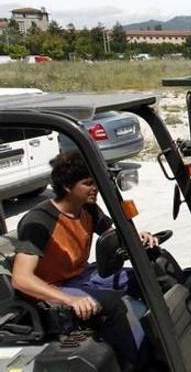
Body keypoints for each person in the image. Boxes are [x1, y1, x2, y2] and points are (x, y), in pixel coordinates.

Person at [12, 150, 158, 368]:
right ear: (67, 186)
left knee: (146, 275)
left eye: (95, 182)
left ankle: (162, 337)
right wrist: (70, 300)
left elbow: (113, 234)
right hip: (54, 288)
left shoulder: (87, 208)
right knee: (114, 304)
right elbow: (21, 279)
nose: (95, 188)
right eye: (87, 183)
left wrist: (137, 236)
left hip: (83, 275)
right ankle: (138, 363)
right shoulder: (39, 222)